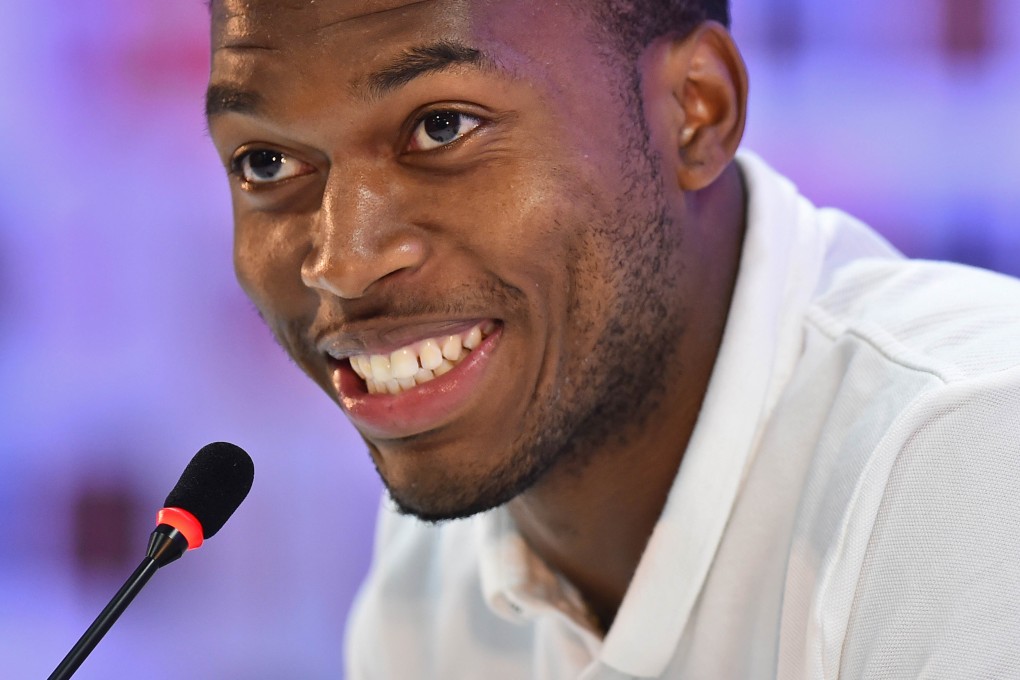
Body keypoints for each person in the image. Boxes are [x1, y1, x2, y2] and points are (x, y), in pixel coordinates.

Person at [205, 0, 1020, 677]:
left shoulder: (975, 452)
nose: (341, 263)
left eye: (443, 125)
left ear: (696, 113)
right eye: (266, 163)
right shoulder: (433, 576)